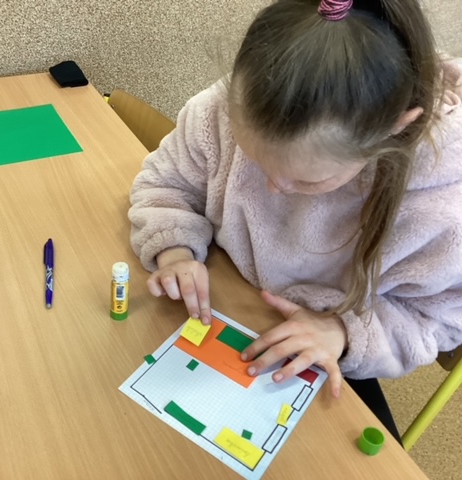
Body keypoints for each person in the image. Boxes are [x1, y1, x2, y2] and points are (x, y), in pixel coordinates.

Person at [128, 0, 462, 443]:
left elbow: (439, 318)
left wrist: (342, 332)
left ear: (394, 129)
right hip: (228, 303)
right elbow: (166, 182)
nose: (274, 188)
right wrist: (174, 249)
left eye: (309, 181)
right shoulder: (225, 110)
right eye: (255, 160)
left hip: (329, 352)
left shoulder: (442, 208)